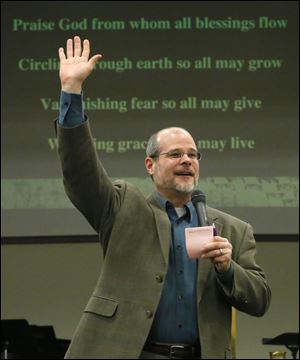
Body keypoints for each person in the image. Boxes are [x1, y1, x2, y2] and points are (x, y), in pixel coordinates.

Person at [56, 36, 271, 359]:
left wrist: (228, 268)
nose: (187, 160)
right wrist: (71, 91)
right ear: (150, 165)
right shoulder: (123, 207)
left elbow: (260, 301)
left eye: (193, 154)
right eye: (175, 154)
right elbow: (80, 172)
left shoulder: (233, 230)